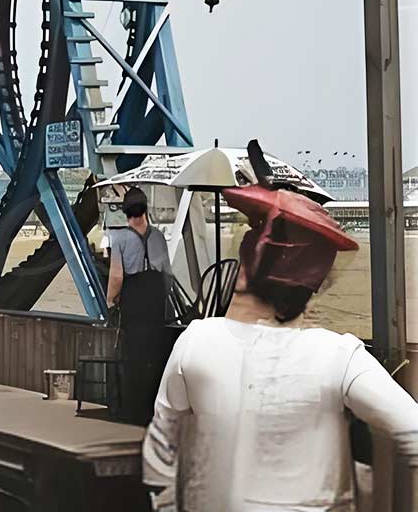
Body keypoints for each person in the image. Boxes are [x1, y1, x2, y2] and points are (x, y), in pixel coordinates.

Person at [143, 180, 418, 511]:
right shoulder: (337, 355)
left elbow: (162, 446)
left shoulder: (196, 341)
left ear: (245, 274)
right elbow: (411, 428)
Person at [105, 186, 172, 424]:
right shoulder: (158, 236)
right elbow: (167, 274)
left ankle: (131, 410)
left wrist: (111, 300)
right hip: (154, 298)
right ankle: (151, 408)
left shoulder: (120, 238)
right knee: (154, 353)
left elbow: (116, 276)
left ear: (126, 213)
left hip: (133, 298)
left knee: (133, 354)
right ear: (146, 210)